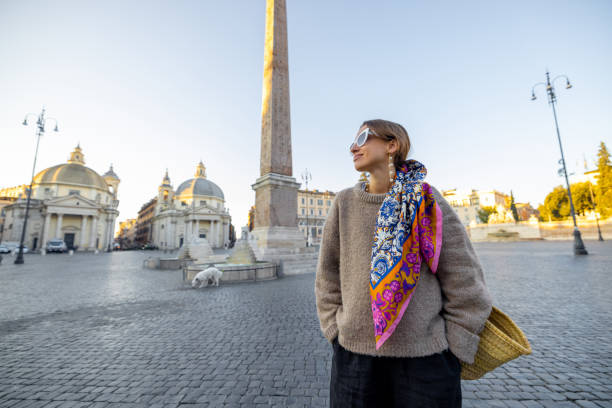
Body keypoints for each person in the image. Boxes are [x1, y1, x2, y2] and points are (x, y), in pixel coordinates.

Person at [315, 119, 493, 408]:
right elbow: (327, 275)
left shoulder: (427, 199)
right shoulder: (344, 203)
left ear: (391, 145)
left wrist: (456, 346)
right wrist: (335, 330)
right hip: (354, 359)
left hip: (425, 361)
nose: (353, 147)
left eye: (362, 137)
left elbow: (463, 275)